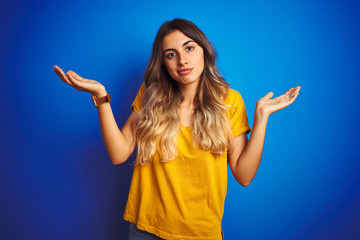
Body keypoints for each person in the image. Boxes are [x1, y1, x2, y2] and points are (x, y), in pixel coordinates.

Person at [53, 18, 300, 240]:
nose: (182, 60)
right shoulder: (151, 96)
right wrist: (101, 97)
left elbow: (244, 176)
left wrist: (261, 118)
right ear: (163, 63)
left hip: (201, 233)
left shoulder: (230, 101)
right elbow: (119, 154)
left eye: (189, 48)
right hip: (146, 230)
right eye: (171, 54)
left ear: (205, 51)